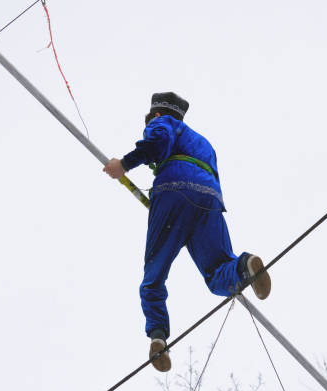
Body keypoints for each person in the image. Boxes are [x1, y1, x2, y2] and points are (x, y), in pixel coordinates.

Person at [103, 92, 271, 372]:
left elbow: (157, 142)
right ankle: (245, 266)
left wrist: (124, 164)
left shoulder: (163, 122)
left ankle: (158, 336)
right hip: (209, 196)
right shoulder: (203, 143)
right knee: (219, 273)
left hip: (173, 190)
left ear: (157, 114)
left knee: (153, 276)